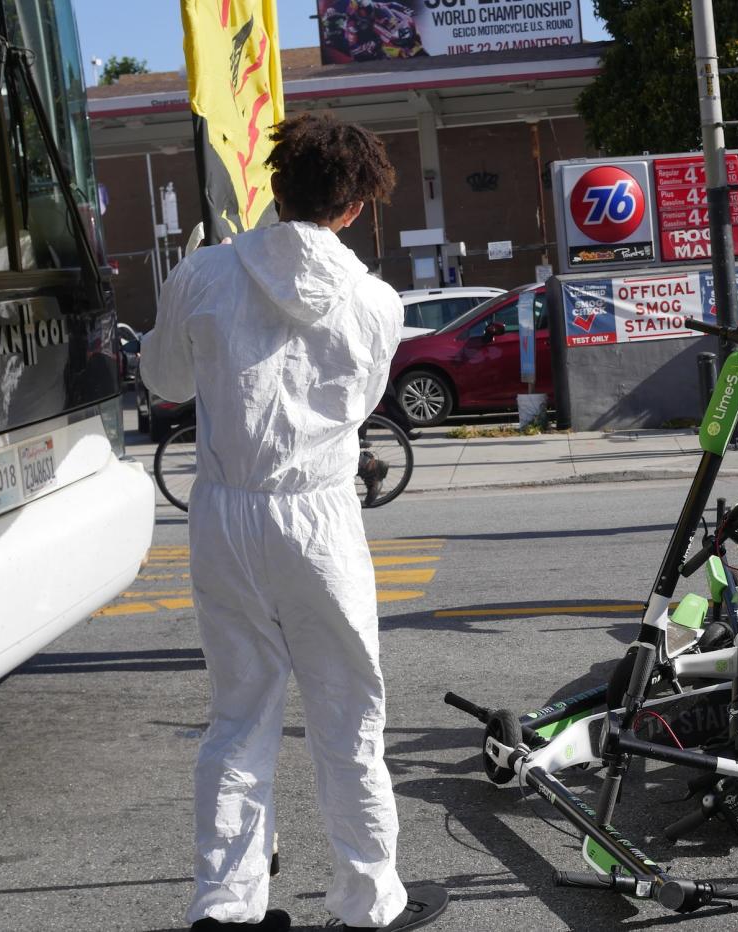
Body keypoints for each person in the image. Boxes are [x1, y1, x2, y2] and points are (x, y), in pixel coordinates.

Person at [140, 113, 448, 932]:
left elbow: (165, 379)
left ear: (274, 188)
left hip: (223, 510)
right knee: (348, 710)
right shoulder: (376, 301)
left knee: (241, 711)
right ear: (354, 210)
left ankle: (226, 905)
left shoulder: (203, 272)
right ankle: (368, 901)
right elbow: (362, 404)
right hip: (318, 515)